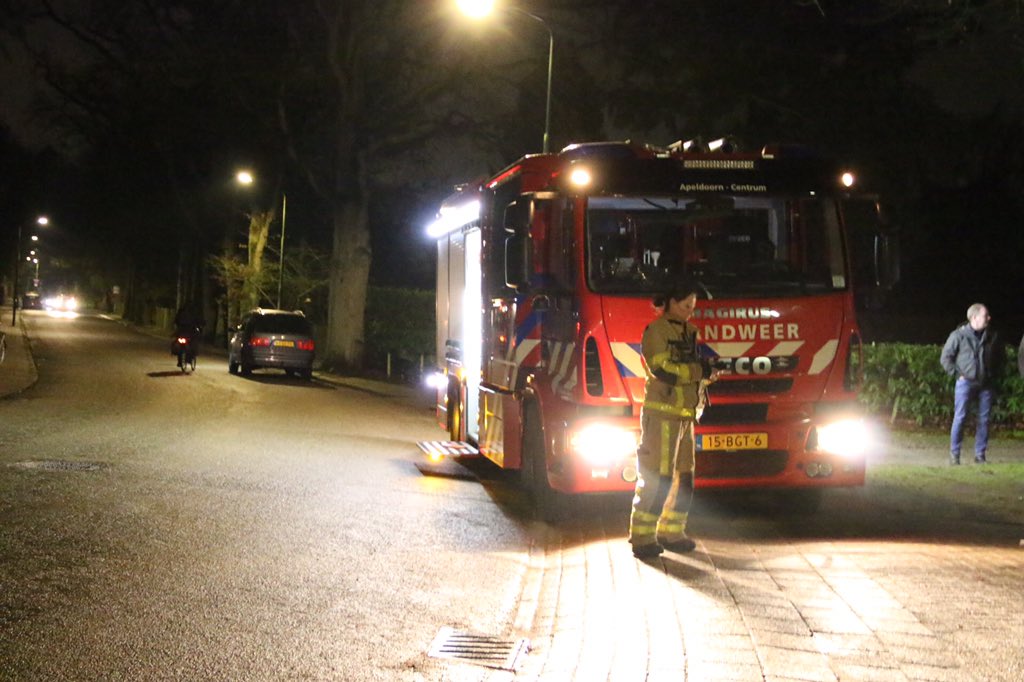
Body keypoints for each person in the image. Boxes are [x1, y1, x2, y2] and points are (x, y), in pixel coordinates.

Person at [629, 280, 718, 559]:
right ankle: (642, 537)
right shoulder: (656, 331)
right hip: (662, 415)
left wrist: (707, 373)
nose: (690, 311)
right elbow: (661, 369)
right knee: (658, 477)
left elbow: (686, 370)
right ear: (668, 301)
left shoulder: (690, 331)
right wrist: (697, 371)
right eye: (685, 305)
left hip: (685, 417)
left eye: (693, 306)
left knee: (684, 478)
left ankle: (672, 532)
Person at [940, 303, 1004, 465]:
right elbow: (945, 357)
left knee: (984, 420)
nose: (989, 318)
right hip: (966, 383)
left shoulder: (992, 336)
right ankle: (955, 455)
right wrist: (957, 374)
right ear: (974, 318)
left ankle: (980, 455)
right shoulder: (958, 335)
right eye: (985, 315)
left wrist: (993, 374)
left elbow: (1000, 357)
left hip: (985, 384)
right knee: (960, 417)